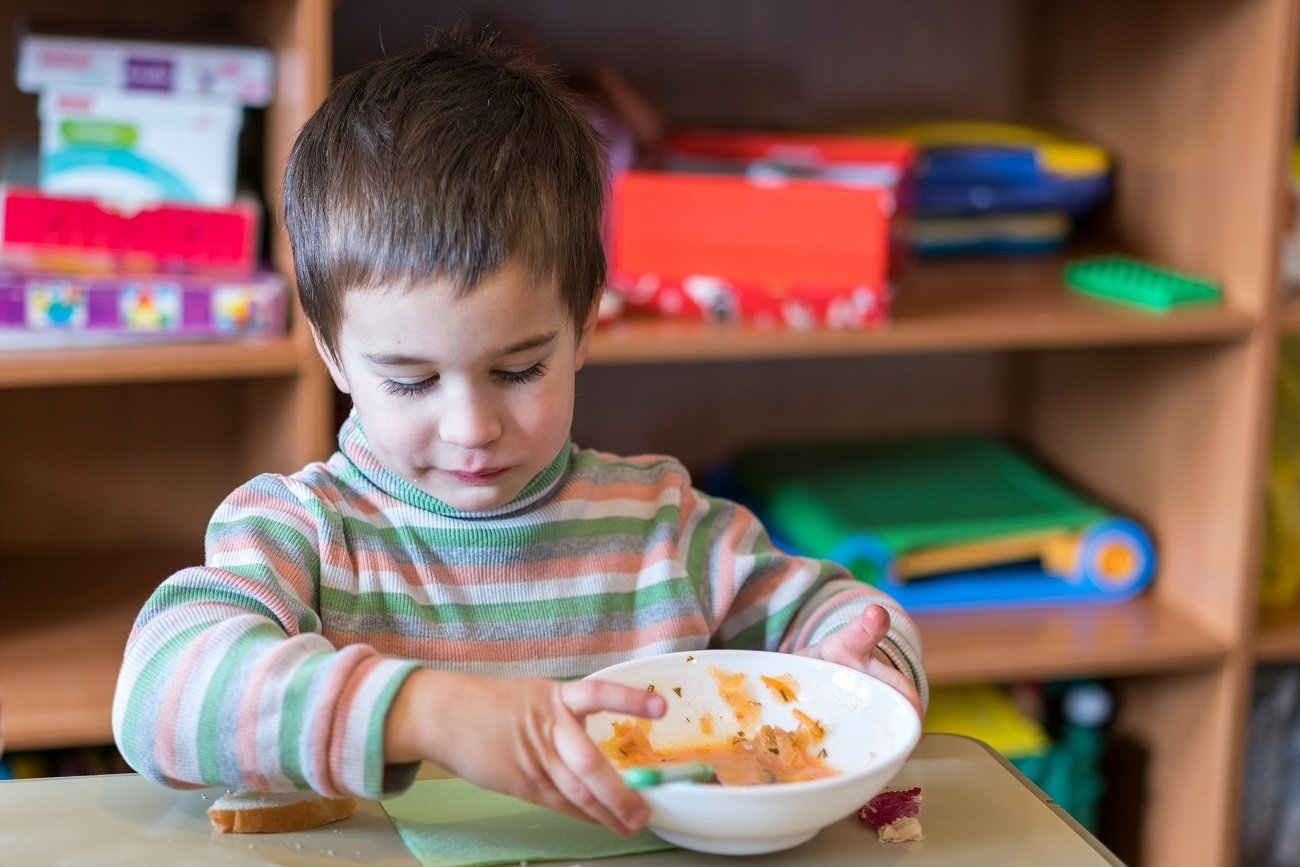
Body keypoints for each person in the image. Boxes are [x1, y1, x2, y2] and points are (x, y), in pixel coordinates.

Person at [112, 28, 926, 838]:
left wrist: (855, 677)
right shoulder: (308, 534)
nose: (472, 427)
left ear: (581, 326)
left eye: (517, 370)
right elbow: (158, 693)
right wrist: (424, 712)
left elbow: (839, 609)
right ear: (331, 351)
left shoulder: (663, 527)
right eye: (410, 379)